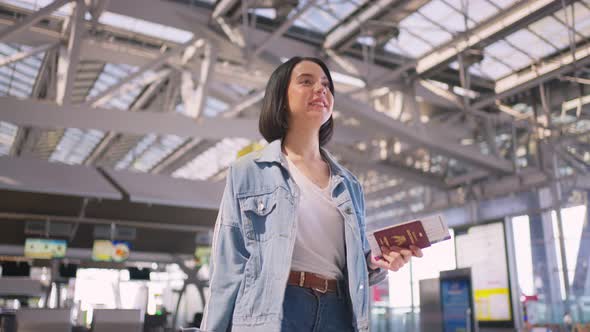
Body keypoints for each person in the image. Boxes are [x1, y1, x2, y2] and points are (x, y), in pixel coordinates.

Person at [200, 57, 423, 332]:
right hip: (275, 311)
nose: (321, 89)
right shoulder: (248, 172)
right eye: (307, 81)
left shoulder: (349, 184)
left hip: (338, 312)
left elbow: (352, 265)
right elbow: (227, 268)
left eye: (327, 85)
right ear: (280, 98)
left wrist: (378, 261)